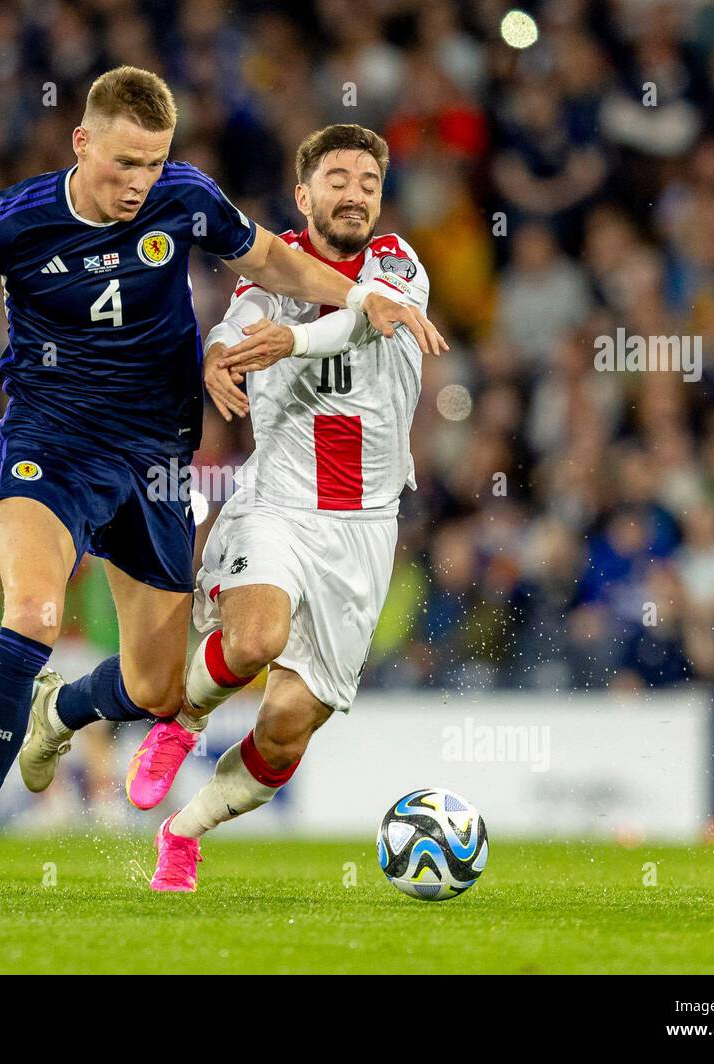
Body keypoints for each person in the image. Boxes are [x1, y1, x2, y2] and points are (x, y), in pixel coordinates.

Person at [0, 68, 445, 898]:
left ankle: (60, 711)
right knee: (33, 612)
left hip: (157, 459)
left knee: (155, 689)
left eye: (152, 164)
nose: (138, 184)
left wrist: (362, 297)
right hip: (54, 444)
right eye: (123, 165)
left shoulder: (184, 195)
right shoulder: (12, 218)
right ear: (82, 143)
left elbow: (275, 264)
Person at [127, 124, 432, 891]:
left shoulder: (398, 264)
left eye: (369, 181)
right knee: (255, 637)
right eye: (338, 178)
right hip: (280, 502)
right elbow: (232, 329)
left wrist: (284, 346)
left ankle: (184, 833)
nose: (355, 193)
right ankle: (180, 721)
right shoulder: (266, 276)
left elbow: (360, 316)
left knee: (288, 726)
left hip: (365, 524)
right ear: (304, 195)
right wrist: (216, 357)